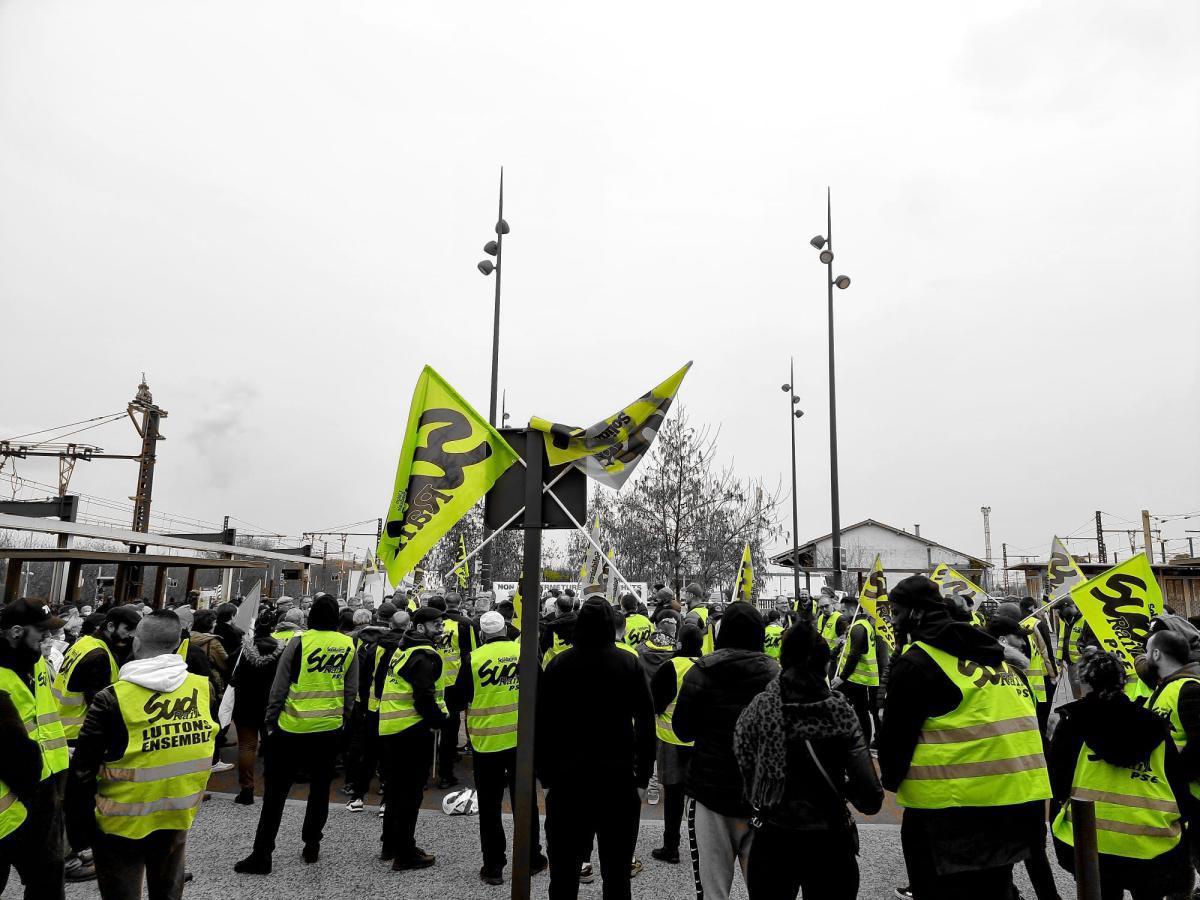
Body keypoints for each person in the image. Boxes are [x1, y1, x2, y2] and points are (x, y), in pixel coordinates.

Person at [880, 575, 1050, 900]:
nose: (893, 621)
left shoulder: (918, 663)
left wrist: (889, 781)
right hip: (1015, 804)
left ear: (915, 614)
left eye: (896, 612)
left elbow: (894, 747)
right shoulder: (997, 658)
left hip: (949, 814)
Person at [67, 609, 217, 900]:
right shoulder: (202, 689)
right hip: (177, 811)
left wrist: (79, 830)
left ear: (136, 643)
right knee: (168, 892)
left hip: (121, 821)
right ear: (176, 645)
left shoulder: (112, 698)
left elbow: (83, 769)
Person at [734, 622, 883, 899]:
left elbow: (743, 767)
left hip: (773, 838)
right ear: (826, 665)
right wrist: (843, 787)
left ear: (782, 660)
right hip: (829, 839)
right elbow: (871, 798)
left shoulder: (759, 708)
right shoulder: (840, 712)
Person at [1050, 650, 1194, 900]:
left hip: (1090, 841)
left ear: (1086, 682)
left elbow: (1057, 781)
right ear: (1122, 681)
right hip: (1152, 842)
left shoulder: (1073, 722)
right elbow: (1177, 781)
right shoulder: (1154, 724)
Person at [537, 597, 655, 900]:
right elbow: (645, 723)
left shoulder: (559, 664)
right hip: (617, 777)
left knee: (564, 872)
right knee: (617, 874)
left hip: (568, 778)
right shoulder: (628, 662)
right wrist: (643, 777)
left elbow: (543, 723)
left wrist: (546, 778)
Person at [234, 595, 357, 874]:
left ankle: (262, 853)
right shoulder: (348, 644)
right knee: (320, 790)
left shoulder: (299, 642)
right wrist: (343, 718)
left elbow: (280, 686)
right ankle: (312, 843)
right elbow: (351, 689)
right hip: (328, 727)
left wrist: (270, 719)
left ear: (311, 616)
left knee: (275, 794)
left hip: (292, 726)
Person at [673, 602, 779, 900]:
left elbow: (683, 730)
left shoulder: (701, 672)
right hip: (761, 796)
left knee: (713, 891)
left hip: (709, 793)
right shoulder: (775, 675)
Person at [456, 611, 545, 885]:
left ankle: (493, 865)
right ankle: (532, 858)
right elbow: (542, 691)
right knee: (525, 802)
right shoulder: (524, 653)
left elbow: (460, 698)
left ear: (483, 634)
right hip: (522, 741)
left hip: (487, 743)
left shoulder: (474, 659)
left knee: (490, 806)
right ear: (506, 629)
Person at [0, 599, 69, 899]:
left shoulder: (36, 659)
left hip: (45, 784)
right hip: (10, 789)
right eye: (41, 631)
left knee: (48, 876)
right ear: (16, 631)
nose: (48, 639)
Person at [376, 607, 448, 870]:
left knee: (395, 791)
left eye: (441, 624)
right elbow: (424, 697)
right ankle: (405, 853)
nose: (440, 629)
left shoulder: (403, 649)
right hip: (412, 731)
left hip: (393, 728)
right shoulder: (424, 655)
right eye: (435, 624)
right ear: (420, 628)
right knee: (410, 794)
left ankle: (390, 844)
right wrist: (439, 721)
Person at [649, 622, 703, 865]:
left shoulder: (669, 666)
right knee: (699, 796)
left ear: (679, 643)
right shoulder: (706, 667)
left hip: (670, 739)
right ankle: (702, 844)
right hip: (699, 741)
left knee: (673, 795)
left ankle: (671, 846)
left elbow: (655, 702)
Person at [230, 619, 283, 805]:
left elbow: (230, 670)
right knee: (272, 746)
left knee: (247, 747)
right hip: (271, 704)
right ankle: (272, 788)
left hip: (245, 702)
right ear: (273, 629)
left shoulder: (242, 650)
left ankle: (247, 789)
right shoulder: (281, 651)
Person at [431, 593, 476, 789]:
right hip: (453, 683)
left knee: (428, 726)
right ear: (459, 603)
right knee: (450, 727)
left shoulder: (431, 624)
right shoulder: (466, 624)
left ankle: (429, 771)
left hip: (431, 681)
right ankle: (445, 774)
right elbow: (472, 655)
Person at [832, 595, 887, 749]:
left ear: (852, 609)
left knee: (861, 713)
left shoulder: (858, 627)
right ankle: (866, 742)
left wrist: (842, 677)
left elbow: (854, 654)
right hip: (861, 678)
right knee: (862, 712)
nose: (842, 614)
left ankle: (864, 743)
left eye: (843, 611)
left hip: (859, 678)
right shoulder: (865, 625)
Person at [540, 593, 577, 669]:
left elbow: (543, 647)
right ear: (572, 608)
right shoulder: (580, 625)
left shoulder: (551, 627)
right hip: (573, 666)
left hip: (552, 667)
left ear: (558, 608)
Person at [682, 583, 714, 655]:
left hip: (696, 655)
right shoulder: (707, 611)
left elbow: (689, 639)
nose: (684, 596)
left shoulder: (693, 614)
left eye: (686, 593)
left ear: (691, 595)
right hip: (709, 654)